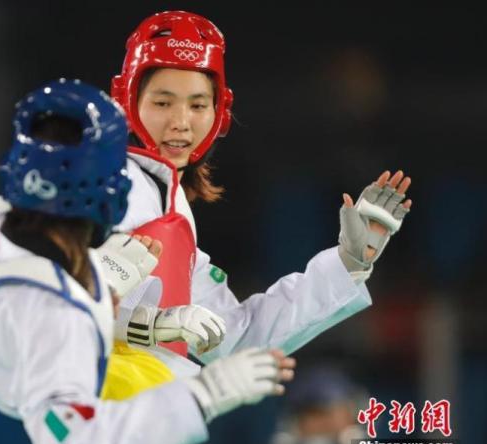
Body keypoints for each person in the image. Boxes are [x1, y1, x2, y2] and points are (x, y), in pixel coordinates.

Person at [0, 79, 296, 444]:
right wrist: (206, 395)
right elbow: (74, 443)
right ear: (109, 188)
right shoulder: (60, 312)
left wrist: (104, 293)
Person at [102, 9, 412, 390]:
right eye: (163, 103)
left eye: (198, 105)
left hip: (149, 432)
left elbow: (236, 337)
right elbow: (41, 300)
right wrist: (152, 323)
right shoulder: (97, 185)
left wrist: (347, 262)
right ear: (128, 102)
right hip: (84, 428)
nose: (181, 121)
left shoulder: (171, 208)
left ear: (219, 114)